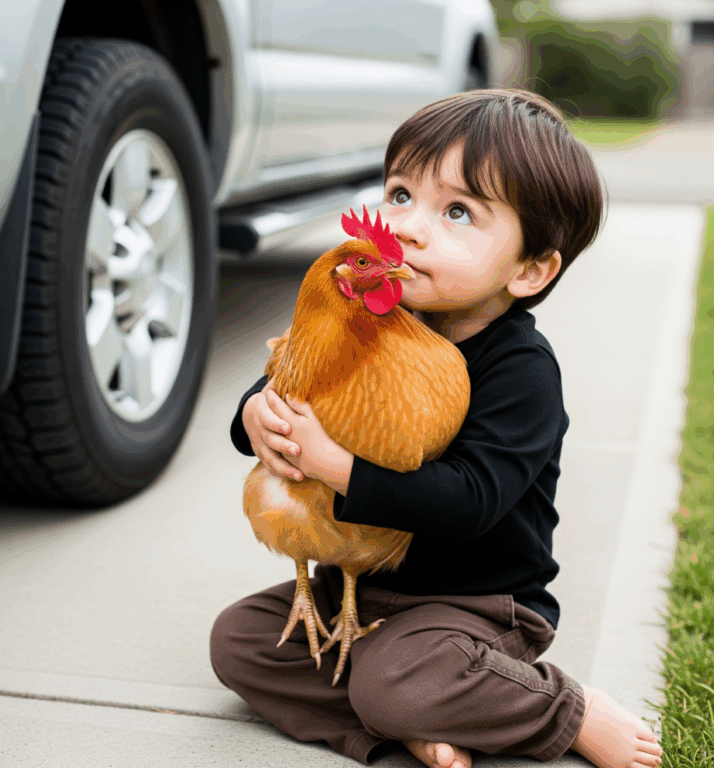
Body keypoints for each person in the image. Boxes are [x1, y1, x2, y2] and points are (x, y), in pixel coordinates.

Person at [210, 89, 664, 768]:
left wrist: (333, 466)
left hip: (475, 604)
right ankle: (395, 730)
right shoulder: (375, 319)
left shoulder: (521, 371)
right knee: (239, 643)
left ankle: (565, 711)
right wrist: (255, 415)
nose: (412, 228)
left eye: (457, 212)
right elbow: (295, 374)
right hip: (358, 583)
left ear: (530, 270)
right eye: (400, 195)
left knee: (398, 675)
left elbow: (466, 503)